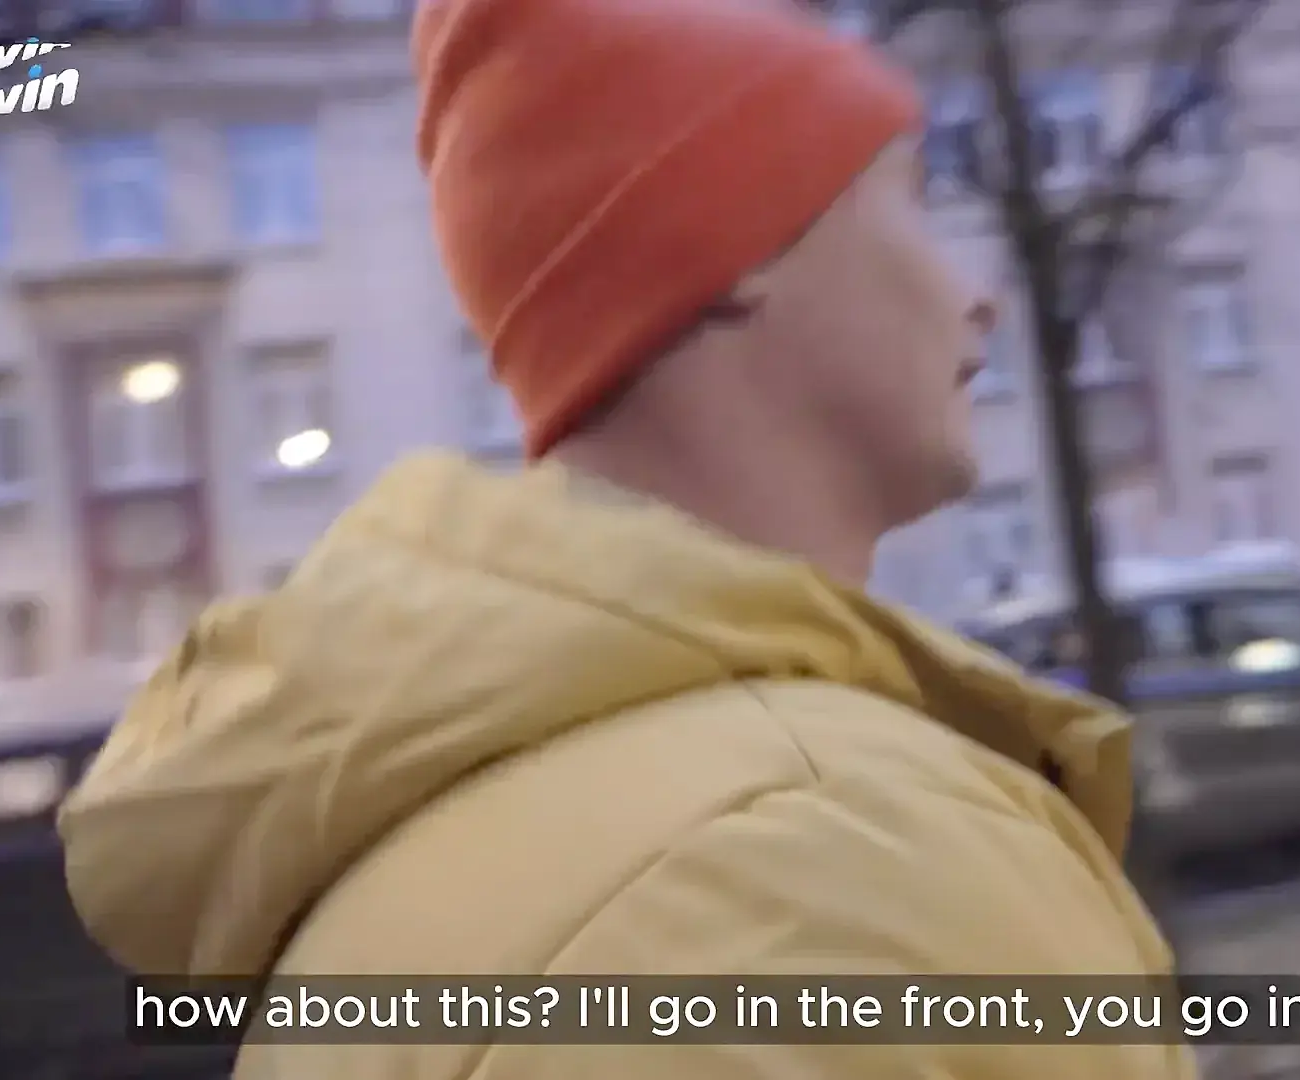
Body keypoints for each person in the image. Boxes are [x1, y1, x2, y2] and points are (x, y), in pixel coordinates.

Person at [58, 0, 1190, 1077]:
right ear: (738, 238)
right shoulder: (833, 856)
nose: (978, 296)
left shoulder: (388, 857)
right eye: (913, 202)